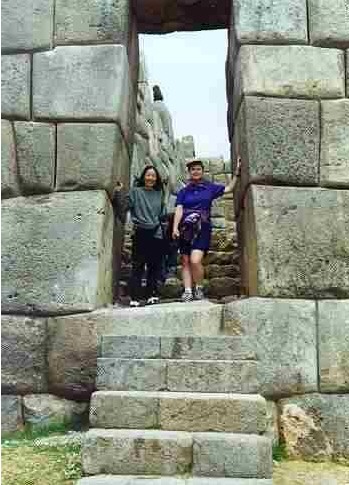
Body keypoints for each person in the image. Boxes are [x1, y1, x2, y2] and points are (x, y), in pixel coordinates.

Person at [172, 157, 242, 302]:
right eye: (193, 169)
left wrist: (236, 174)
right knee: (185, 261)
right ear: (189, 172)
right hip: (185, 228)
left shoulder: (210, 187)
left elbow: (228, 189)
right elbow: (179, 209)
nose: (195, 171)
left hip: (202, 228)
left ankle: (198, 288)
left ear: (202, 171)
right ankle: (187, 291)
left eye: (198, 169)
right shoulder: (183, 192)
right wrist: (175, 228)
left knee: (195, 260)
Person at [113, 165, 166, 307]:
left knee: (154, 266)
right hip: (140, 231)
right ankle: (135, 297)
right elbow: (124, 207)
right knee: (138, 266)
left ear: (156, 179)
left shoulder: (159, 193)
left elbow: (162, 214)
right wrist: (119, 192)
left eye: (153, 176)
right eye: (148, 175)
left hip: (156, 232)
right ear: (143, 177)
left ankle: (151, 294)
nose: (150, 178)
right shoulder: (135, 192)